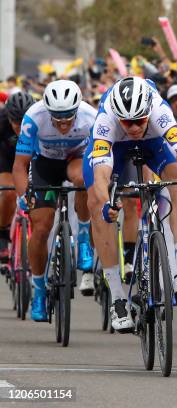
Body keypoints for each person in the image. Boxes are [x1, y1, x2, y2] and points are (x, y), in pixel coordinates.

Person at [84, 76, 177, 332]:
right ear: (118, 117)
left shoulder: (159, 111)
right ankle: (117, 297)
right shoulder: (106, 120)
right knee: (96, 202)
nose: (135, 126)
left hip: (152, 144)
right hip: (114, 148)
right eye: (128, 121)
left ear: (149, 111)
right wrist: (107, 204)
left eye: (140, 120)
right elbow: (101, 175)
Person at [13, 80, 96, 321]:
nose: (62, 123)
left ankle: (82, 238)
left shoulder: (90, 117)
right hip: (45, 166)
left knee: (82, 178)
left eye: (68, 117)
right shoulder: (34, 117)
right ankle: (39, 290)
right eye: (56, 118)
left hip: (75, 160)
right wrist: (22, 196)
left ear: (77, 109)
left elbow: (101, 159)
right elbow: (20, 165)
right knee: (40, 227)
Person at [0, 93, 34, 263]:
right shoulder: (1, 121)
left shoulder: (37, 121)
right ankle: (3, 233)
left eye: (23, 123)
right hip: (6, 160)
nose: (20, 129)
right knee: (9, 192)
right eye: (16, 124)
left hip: (29, 160)